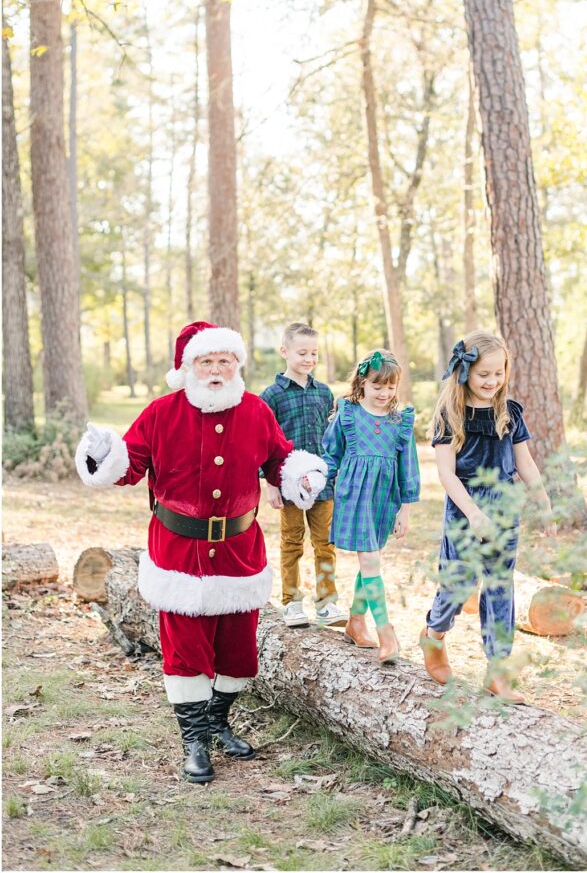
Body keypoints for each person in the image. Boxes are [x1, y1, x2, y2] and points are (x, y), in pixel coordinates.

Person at [75, 321, 327, 784]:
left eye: (224, 361)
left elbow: (279, 459)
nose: (215, 370)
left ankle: (217, 721)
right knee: (186, 652)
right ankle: (194, 741)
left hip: (239, 552)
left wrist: (300, 476)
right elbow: (128, 467)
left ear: (237, 365)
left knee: (238, 653)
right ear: (189, 367)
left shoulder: (255, 412)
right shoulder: (161, 413)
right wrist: (103, 454)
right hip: (179, 554)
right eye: (206, 362)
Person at [419, 330, 554, 704]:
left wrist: (541, 500)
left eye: (499, 373)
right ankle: (434, 633)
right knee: (459, 584)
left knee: (499, 586)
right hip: (466, 506)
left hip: (504, 505)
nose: (492, 382)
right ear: (464, 374)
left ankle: (497, 670)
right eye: (484, 375)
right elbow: (446, 475)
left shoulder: (508, 412)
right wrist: (474, 513)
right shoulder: (450, 414)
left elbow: (524, 461)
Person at [321, 349, 420, 664]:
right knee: (372, 561)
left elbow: (409, 466)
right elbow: (331, 453)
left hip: (384, 497)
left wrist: (405, 509)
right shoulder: (348, 413)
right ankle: (386, 633)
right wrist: (314, 482)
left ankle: (355, 621)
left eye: (390, 387)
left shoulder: (399, 419)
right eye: (378, 386)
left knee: (371, 561)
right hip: (354, 494)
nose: (385, 393)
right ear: (362, 382)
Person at [260, 322, 347, 629]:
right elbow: (265, 443)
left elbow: (331, 438)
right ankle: (292, 602)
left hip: (322, 485)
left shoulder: (324, 393)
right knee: (292, 543)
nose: (309, 358)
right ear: (284, 352)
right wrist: (271, 484)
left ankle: (326, 603)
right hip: (289, 485)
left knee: (326, 543)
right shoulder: (271, 396)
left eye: (313, 353)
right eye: (302, 352)